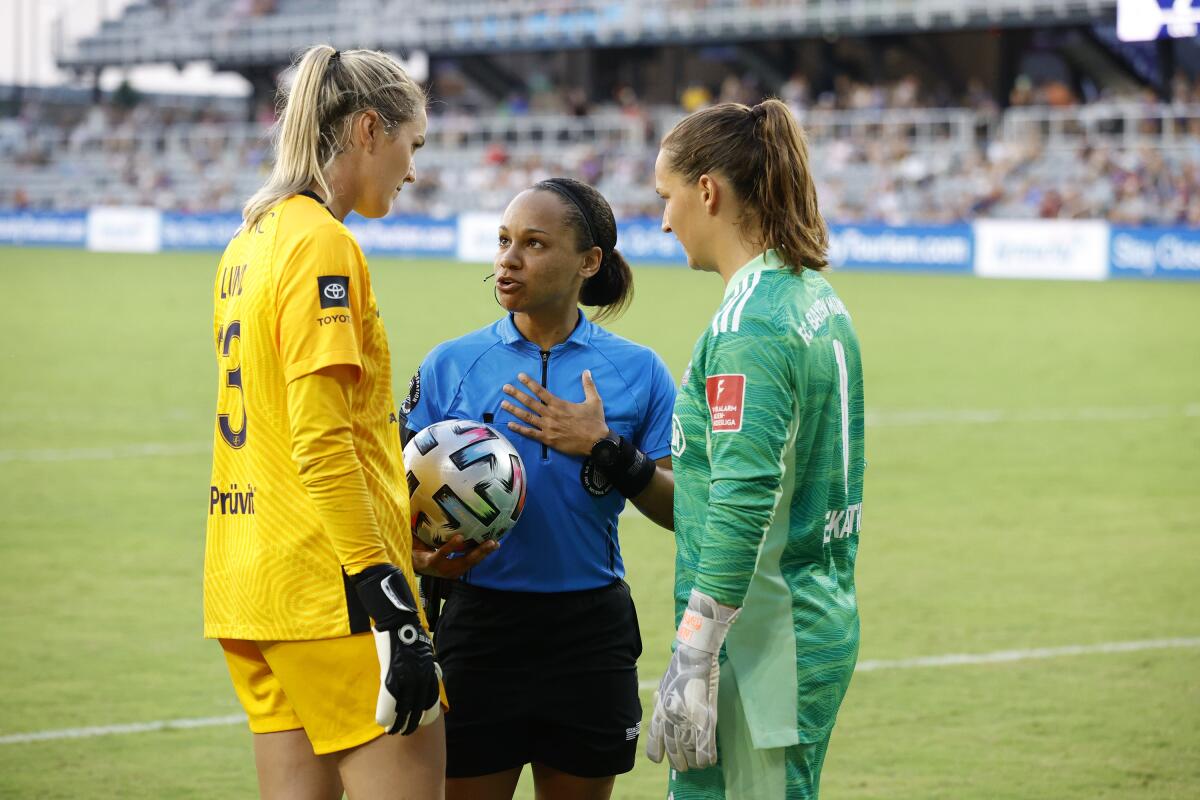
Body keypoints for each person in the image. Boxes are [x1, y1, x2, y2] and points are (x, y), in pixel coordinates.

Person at [204, 44, 485, 800]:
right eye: (411, 144)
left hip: (248, 582)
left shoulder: (248, 239)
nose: (413, 169)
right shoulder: (322, 244)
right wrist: (387, 595)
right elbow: (321, 440)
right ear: (368, 130)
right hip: (332, 594)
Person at [401, 177, 677, 800]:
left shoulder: (638, 371)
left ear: (589, 262)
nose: (508, 259)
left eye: (533, 243)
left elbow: (682, 508)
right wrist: (419, 553)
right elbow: (395, 493)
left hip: (589, 631)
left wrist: (606, 450)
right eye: (503, 241)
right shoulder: (451, 363)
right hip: (478, 626)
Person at [646, 98, 865, 799]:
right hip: (807, 616)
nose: (662, 219)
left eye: (666, 197)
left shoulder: (753, 323)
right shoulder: (813, 297)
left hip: (760, 646)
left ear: (707, 191)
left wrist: (695, 650)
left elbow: (745, 493)